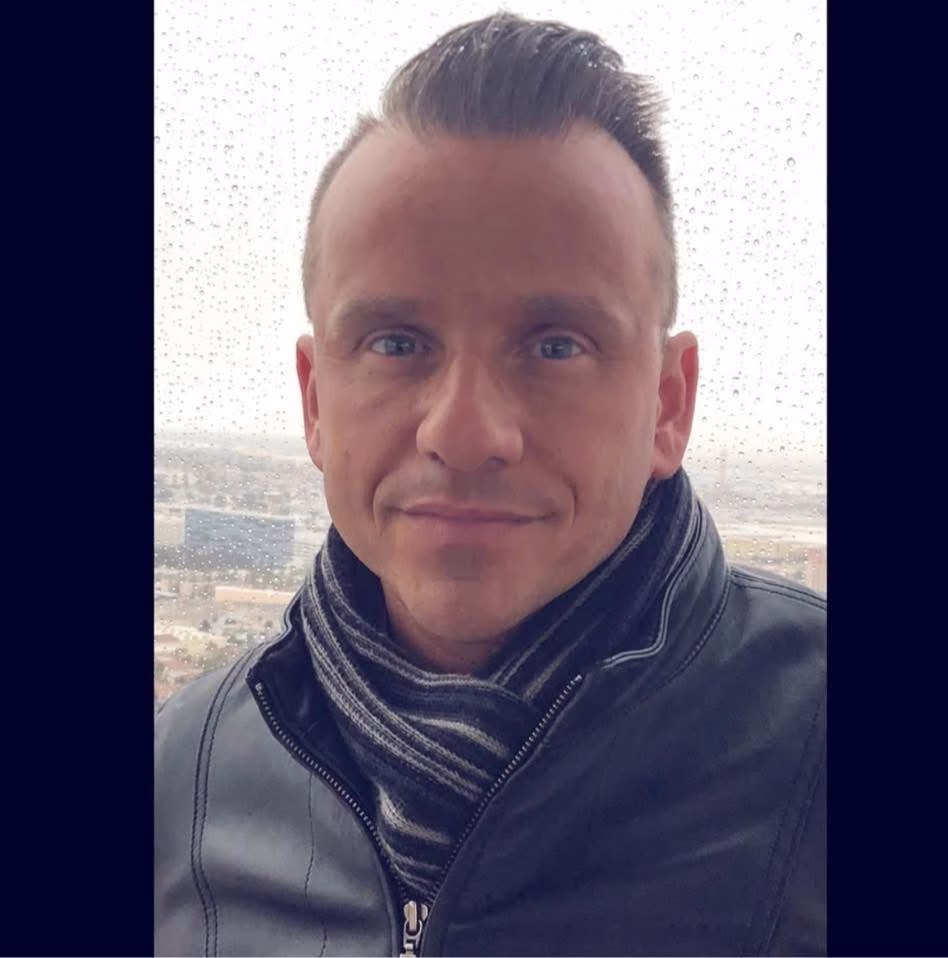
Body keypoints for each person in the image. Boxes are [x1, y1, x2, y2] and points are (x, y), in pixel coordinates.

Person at [154, 12, 826, 956]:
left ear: (669, 404)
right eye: (397, 342)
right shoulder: (177, 782)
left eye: (556, 346)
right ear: (315, 402)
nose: (464, 433)